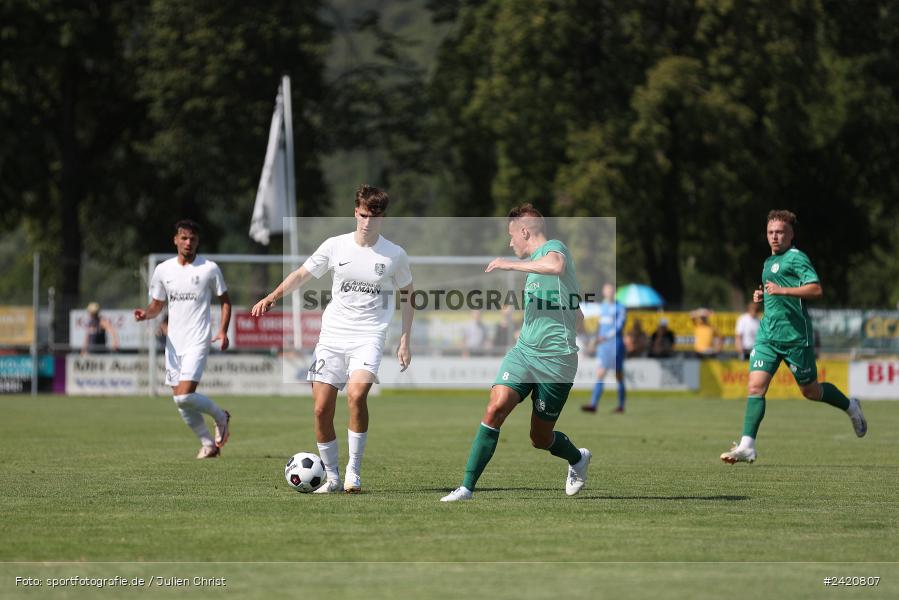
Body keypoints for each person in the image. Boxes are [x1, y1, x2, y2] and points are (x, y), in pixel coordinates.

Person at [251, 185, 414, 493]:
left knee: (356, 395)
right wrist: (273, 296)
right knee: (321, 409)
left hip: (369, 335)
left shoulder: (395, 254)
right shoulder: (335, 246)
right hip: (332, 336)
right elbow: (302, 274)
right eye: (364, 215)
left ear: (383, 218)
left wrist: (405, 338)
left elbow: (408, 293)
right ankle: (333, 478)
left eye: (375, 217)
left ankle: (353, 471)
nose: (368, 223)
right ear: (356, 212)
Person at [441, 204, 591, 502]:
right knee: (496, 407)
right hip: (524, 354)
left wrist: (509, 264)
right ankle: (466, 488)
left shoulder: (553, 248)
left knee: (540, 438)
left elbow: (556, 266)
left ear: (525, 231)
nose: (510, 243)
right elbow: (572, 309)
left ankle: (577, 458)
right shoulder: (535, 267)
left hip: (557, 363)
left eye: (512, 236)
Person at [720, 210, 867, 464]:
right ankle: (747, 445)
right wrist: (764, 297)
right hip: (768, 335)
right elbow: (774, 292)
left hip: (795, 337)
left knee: (810, 390)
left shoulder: (797, 258)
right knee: (755, 387)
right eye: (770, 232)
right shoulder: (768, 262)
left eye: (779, 232)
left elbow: (816, 289)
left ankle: (850, 406)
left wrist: (782, 290)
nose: (774, 237)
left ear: (791, 235)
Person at [134, 219, 232, 459]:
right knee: (180, 401)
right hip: (173, 343)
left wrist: (223, 330)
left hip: (198, 340)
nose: (188, 243)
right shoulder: (163, 270)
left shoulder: (209, 268)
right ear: (175, 240)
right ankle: (208, 444)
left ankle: (220, 416)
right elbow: (157, 305)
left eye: (193, 239)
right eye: (184, 238)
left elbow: (225, 300)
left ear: (198, 242)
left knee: (185, 395)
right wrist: (146, 314)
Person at [582, 283, 627, 414]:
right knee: (600, 373)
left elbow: (619, 327)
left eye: (611, 290)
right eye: (607, 290)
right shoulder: (601, 308)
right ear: (604, 292)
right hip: (603, 346)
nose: (609, 293)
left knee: (618, 375)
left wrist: (605, 337)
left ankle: (621, 405)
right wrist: (594, 338)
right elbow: (595, 326)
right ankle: (593, 404)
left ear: (614, 292)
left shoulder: (621, 308)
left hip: (615, 344)